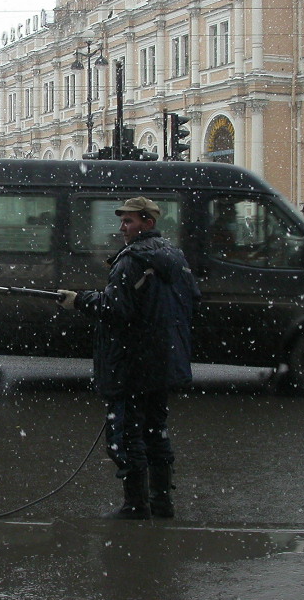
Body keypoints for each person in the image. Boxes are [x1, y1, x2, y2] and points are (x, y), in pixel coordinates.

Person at [58, 197, 200, 520]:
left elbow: (114, 308)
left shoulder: (131, 261)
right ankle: (161, 502)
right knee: (155, 430)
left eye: (129, 221)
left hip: (132, 364)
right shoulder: (175, 256)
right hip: (162, 362)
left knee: (125, 435)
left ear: (148, 223)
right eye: (122, 221)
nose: (122, 228)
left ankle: (136, 506)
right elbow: (192, 300)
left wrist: (79, 300)